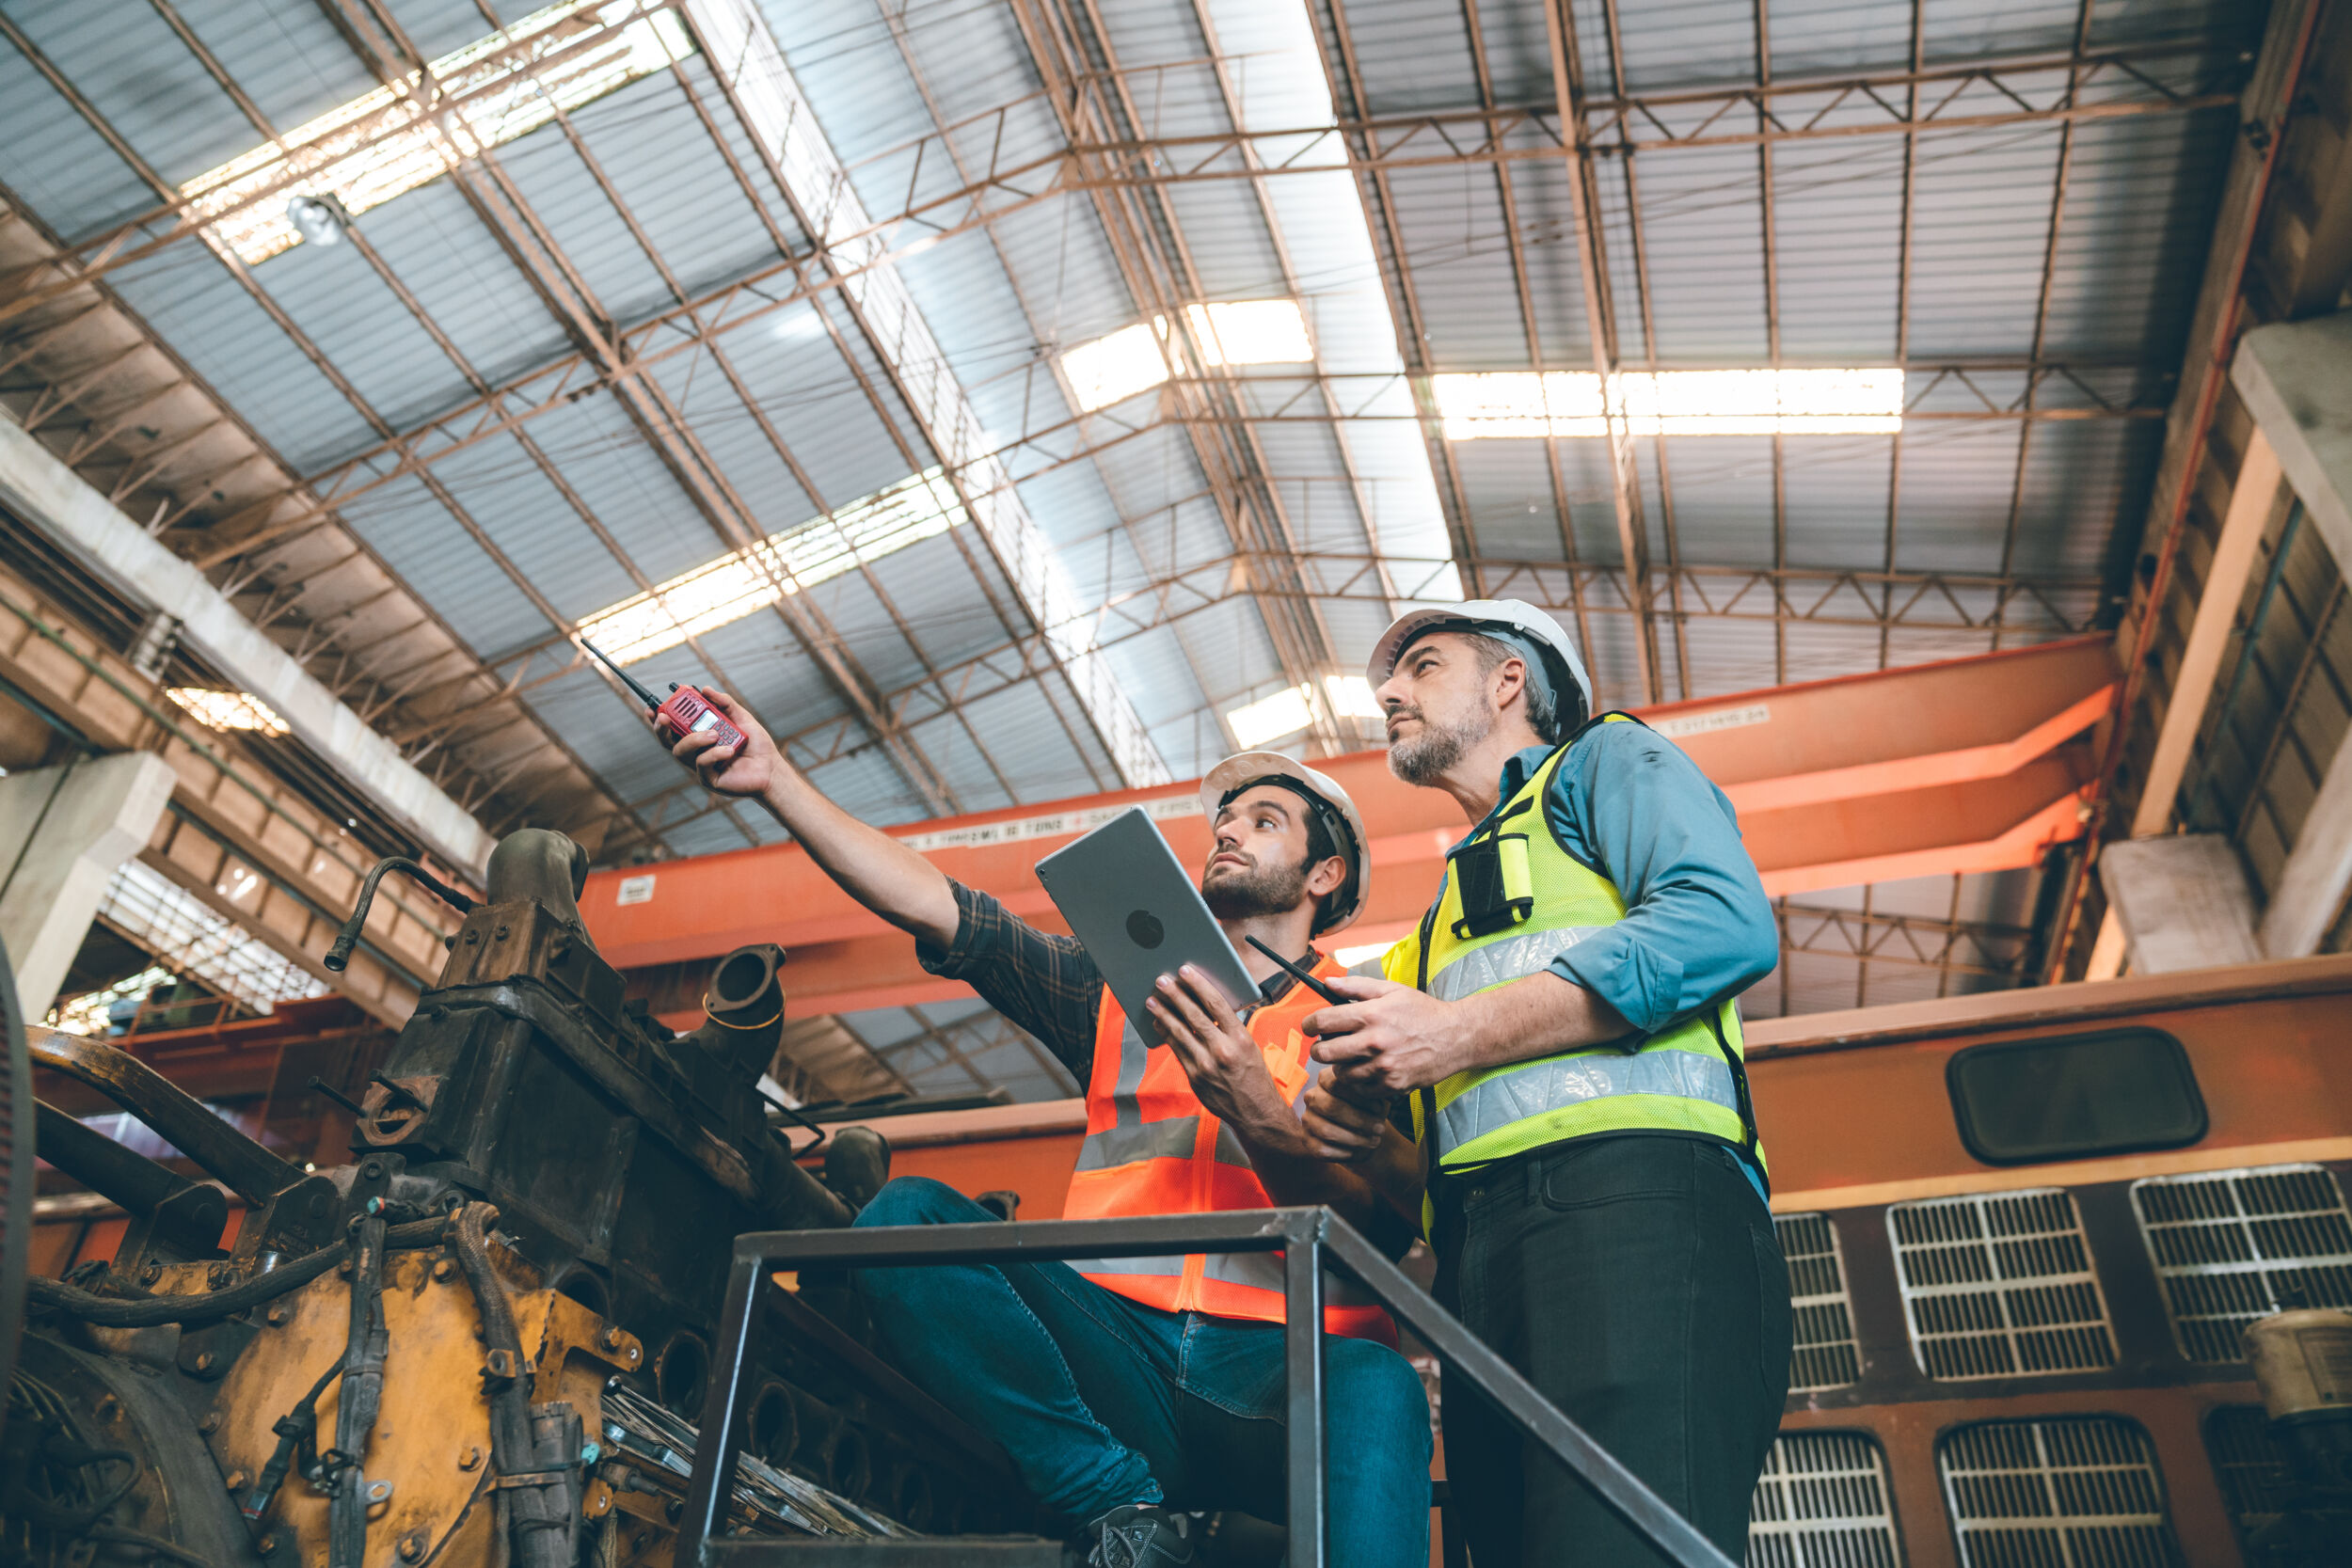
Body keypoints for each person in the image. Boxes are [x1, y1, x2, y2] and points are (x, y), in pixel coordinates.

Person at [660, 694, 1431, 1568]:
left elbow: (1384, 1230)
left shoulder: (1370, 1021)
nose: (1227, 831)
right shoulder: (1109, 994)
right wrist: (776, 781)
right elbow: (941, 907)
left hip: (1277, 1372)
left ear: (1323, 875)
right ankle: (1119, 1510)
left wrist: (1257, 1111)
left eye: (1264, 820)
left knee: (1381, 1386)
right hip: (1111, 1358)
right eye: (1222, 818)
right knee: (903, 1220)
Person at [1297, 599, 1793, 1567]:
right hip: (1483, 1254)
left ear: (1508, 680)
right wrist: (1367, 1135)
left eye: (1422, 666)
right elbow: (1448, 1146)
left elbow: (1723, 922)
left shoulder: (1605, 762)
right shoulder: (1435, 925)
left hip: (1637, 1211)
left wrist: (1455, 1030)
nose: (1390, 693)